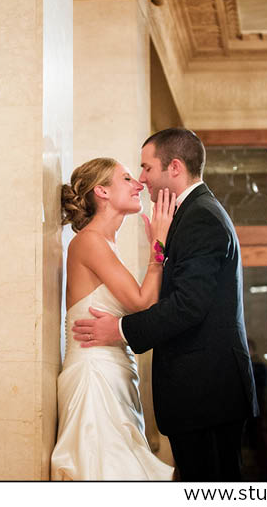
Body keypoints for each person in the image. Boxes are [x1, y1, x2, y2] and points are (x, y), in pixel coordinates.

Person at [72, 128, 259, 481]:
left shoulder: (200, 217)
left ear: (174, 167)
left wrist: (121, 329)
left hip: (207, 391)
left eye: (145, 168)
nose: (142, 180)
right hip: (200, 392)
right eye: (132, 174)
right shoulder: (192, 214)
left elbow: (189, 305)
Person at [50, 157, 176, 480]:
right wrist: (158, 245)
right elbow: (142, 302)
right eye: (127, 178)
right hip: (95, 378)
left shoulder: (105, 243)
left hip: (115, 374)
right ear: (102, 191)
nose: (139, 185)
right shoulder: (89, 242)